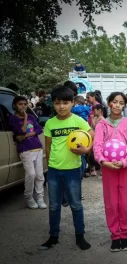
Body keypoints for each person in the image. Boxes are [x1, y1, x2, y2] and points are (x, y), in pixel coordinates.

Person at [39, 85, 93, 251]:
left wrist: (86, 149)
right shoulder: (50, 123)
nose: (61, 106)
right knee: (54, 206)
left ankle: (80, 236)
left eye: (65, 102)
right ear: (53, 104)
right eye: (57, 103)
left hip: (73, 170)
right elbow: (47, 147)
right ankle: (53, 237)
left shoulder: (78, 120)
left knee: (76, 204)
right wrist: (49, 165)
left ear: (72, 103)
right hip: (54, 170)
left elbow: (91, 134)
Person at [93, 92, 127, 252]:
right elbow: (97, 146)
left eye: (121, 102)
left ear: (124, 105)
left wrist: (125, 161)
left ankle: (125, 234)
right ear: (109, 103)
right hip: (108, 169)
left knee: (126, 202)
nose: (117, 105)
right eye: (114, 102)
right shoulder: (101, 125)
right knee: (112, 203)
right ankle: (115, 236)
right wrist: (104, 162)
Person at [9, 96, 46, 209]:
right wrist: (25, 117)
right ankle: (29, 197)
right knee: (31, 174)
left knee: (39, 175)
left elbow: (39, 129)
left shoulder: (31, 116)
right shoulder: (13, 119)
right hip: (25, 150)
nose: (23, 106)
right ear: (15, 105)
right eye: (20, 104)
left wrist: (28, 135)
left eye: (25, 104)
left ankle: (40, 198)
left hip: (37, 148)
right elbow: (22, 130)